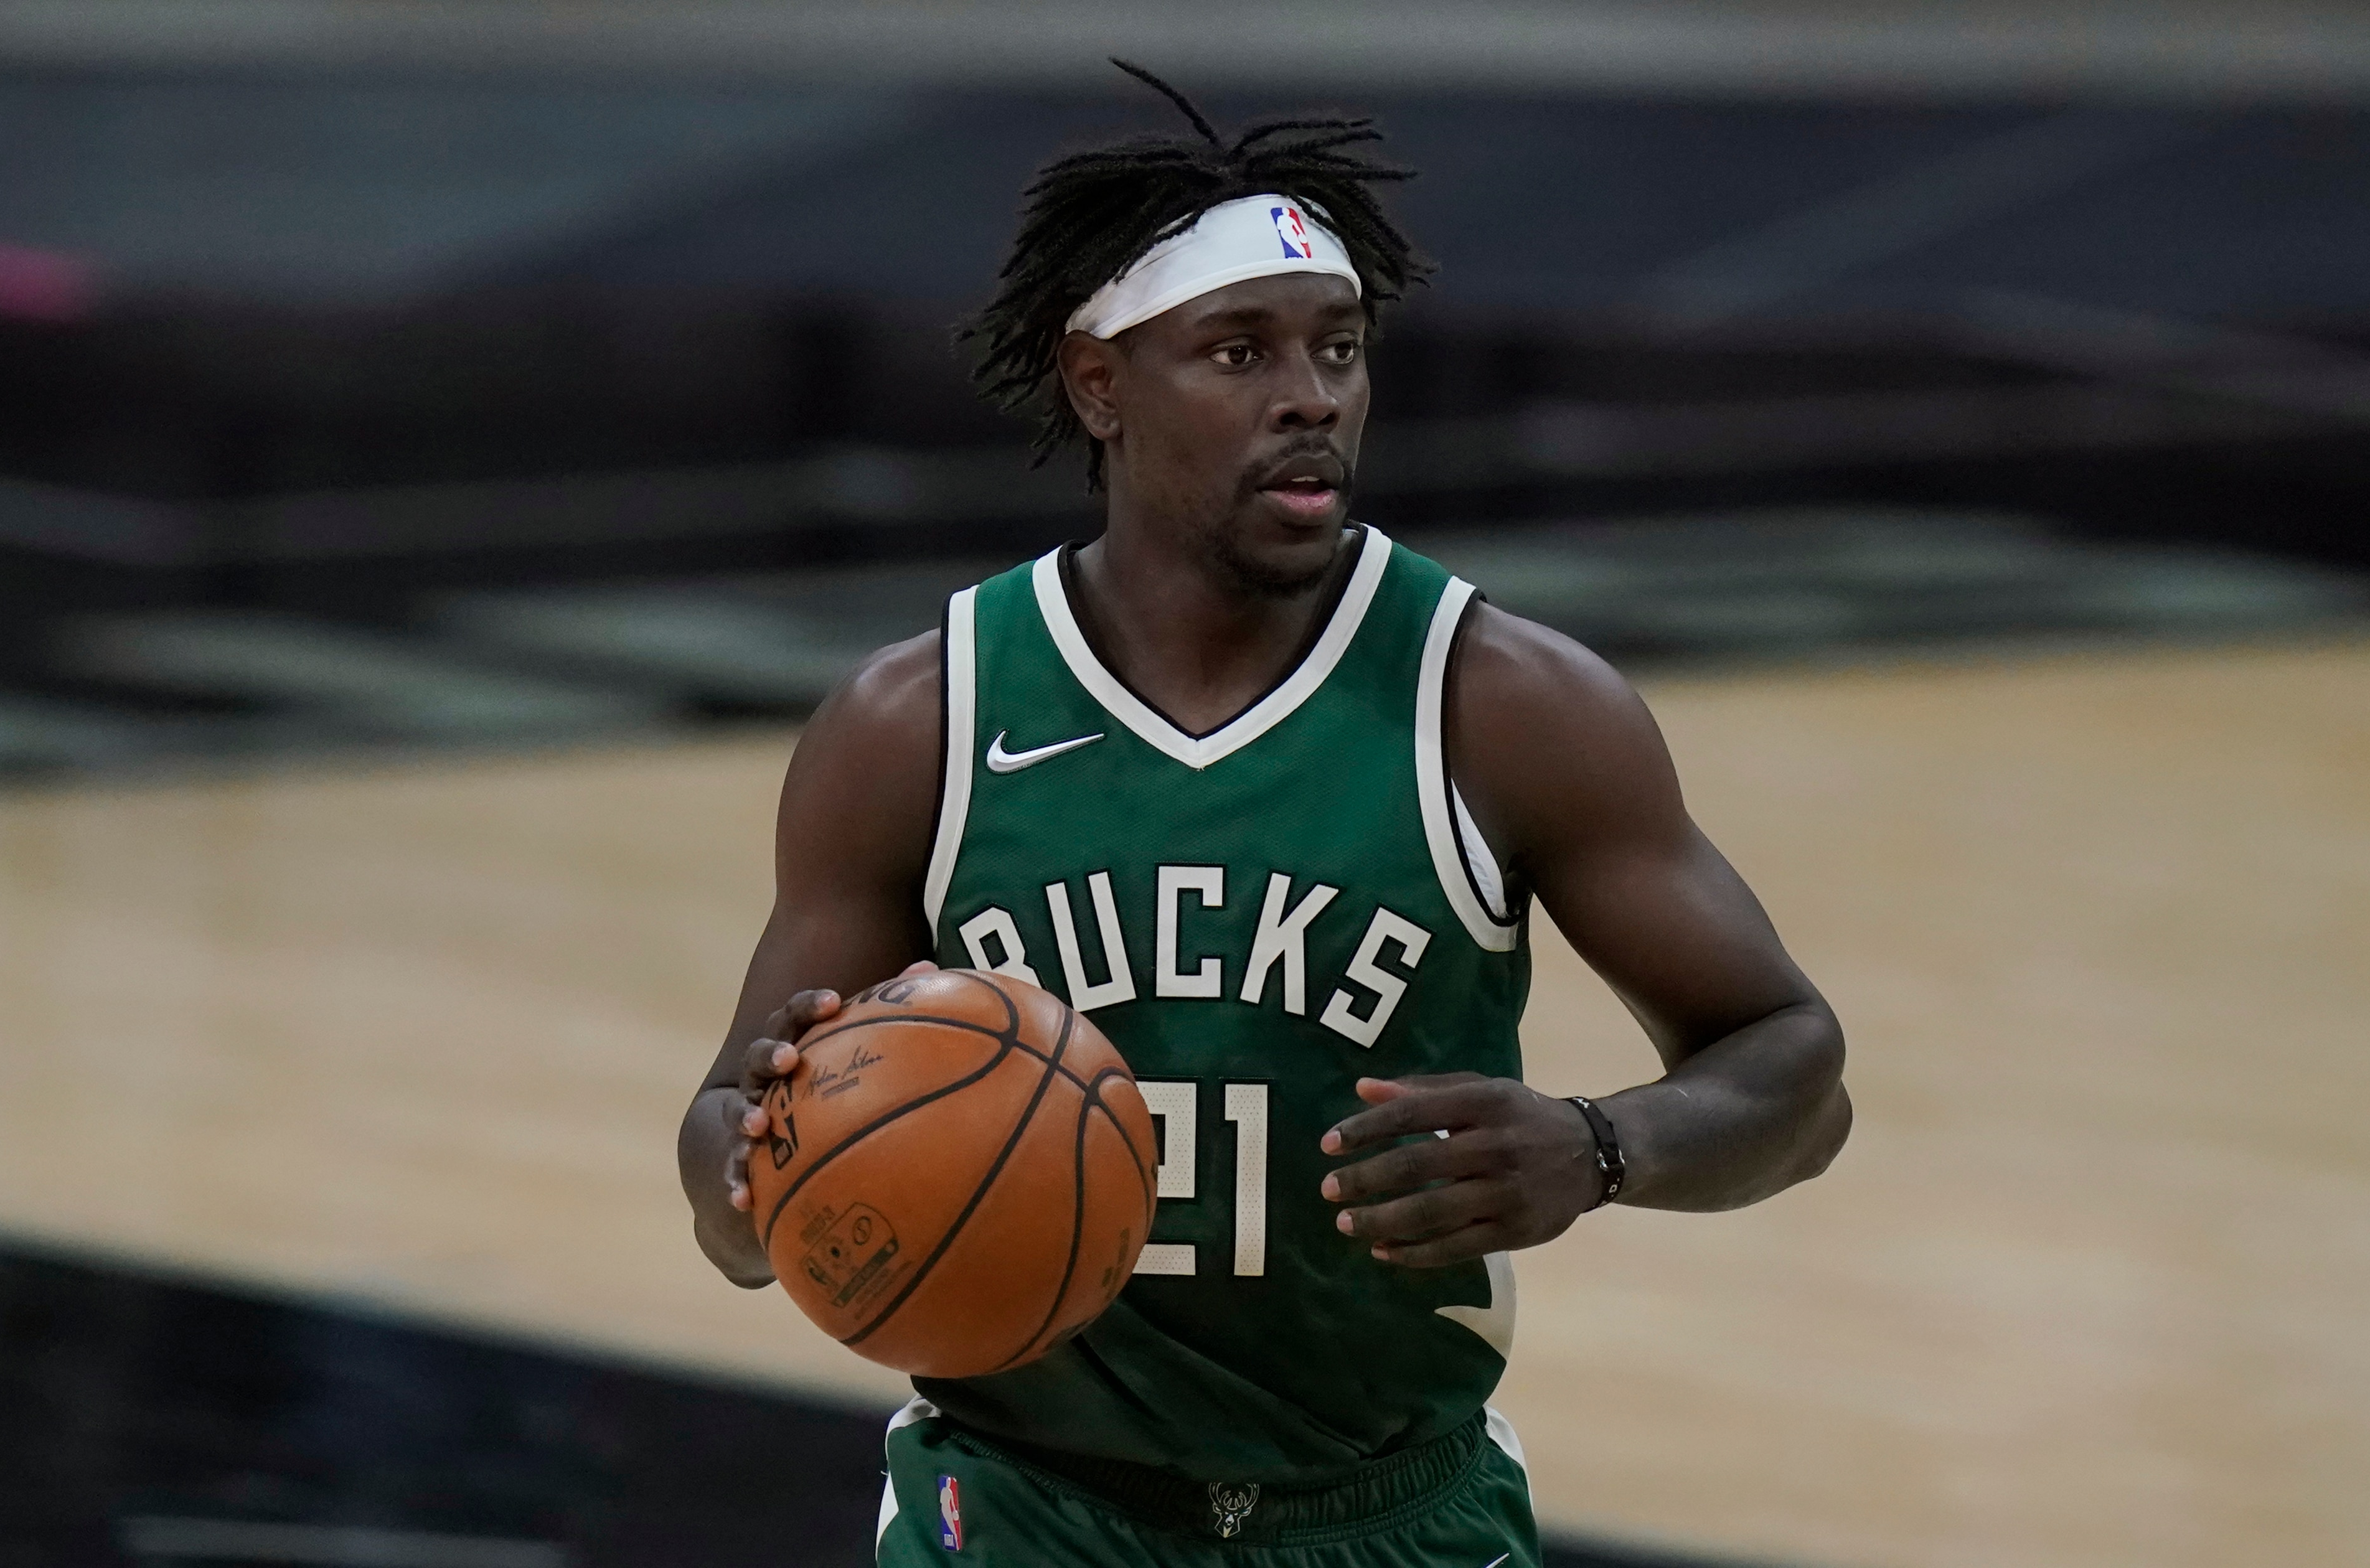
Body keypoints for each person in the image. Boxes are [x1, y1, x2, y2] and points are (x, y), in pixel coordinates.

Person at [677, 63, 1851, 1566]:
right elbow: (728, 1155)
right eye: (1237, 352)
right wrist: (770, 1170)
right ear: (1098, 383)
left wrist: (1598, 1147)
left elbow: (1795, 1074)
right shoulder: (923, 720)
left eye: (1338, 349)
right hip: (1031, 1514)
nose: (1309, 395)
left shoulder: (1501, 702)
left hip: (1394, 1518)